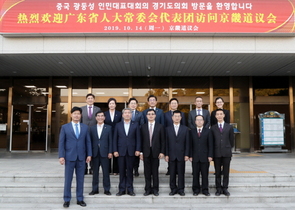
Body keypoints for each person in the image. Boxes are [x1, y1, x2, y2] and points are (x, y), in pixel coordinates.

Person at [58, 107, 92, 208]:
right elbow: (61, 143)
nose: (76, 115)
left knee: (80, 179)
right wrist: (61, 156)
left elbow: (88, 142)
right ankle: (67, 199)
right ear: (71, 115)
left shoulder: (85, 127)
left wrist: (89, 154)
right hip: (69, 157)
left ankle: (80, 199)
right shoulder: (65, 127)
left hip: (82, 157)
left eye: (78, 114)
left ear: (81, 115)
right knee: (68, 179)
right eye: (75, 113)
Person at [113, 108, 141, 196]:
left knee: (130, 171)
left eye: (129, 113)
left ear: (131, 115)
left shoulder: (135, 124)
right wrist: (115, 150)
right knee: (121, 171)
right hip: (120, 151)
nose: (127, 114)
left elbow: (138, 138)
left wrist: (138, 149)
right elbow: (115, 139)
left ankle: (130, 189)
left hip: (131, 151)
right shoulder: (118, 125)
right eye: (125, 113)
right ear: (122, 115)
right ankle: (121, 189)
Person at [140, 109, 165, 196]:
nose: (151, 115)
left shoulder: (160, 126)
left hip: (156, 152)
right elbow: (140, 141)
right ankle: (147, 189)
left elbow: (163, 141)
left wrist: (162, 152)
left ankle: (155, 189)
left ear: (155, 116)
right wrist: (141, 153)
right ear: (146, 116)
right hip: (146, 152)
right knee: (147, 172)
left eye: (152, 114)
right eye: (149, 114)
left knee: (155, 171)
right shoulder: (142, 126)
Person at [165, 110, 190, 196]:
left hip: (181, 155)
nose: (176, 118)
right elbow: (166, 143)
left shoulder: (185, 129)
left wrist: (187, 154)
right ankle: (173, 189)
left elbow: (187, 143)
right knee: (172, 173)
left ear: (181, 118)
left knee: (181, 173)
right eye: (175, 116)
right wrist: (166, 154)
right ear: (172, 118)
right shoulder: (167, 129)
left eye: (178, 116)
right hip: (171, 155)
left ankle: (181, 189)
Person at [88, 111, 113, 196]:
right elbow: (89, 142)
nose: (100, 117)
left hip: (105, 153)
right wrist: (89, 154)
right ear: (96, 118)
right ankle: (95, 189)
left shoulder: (109, 128)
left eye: (102, 116)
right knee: (95, 172)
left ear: (104, 117)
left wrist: (110, 152)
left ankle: (107, 189)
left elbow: (111, 141)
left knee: (106, 172)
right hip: (95, 153)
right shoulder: (92, 128)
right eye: (98, 116)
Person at [211, 109, 234, 196]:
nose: (219, 116)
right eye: (218, 114)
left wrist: (227, 148)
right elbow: (212, 141)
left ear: (224, 115)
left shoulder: (229, 127)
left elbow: (232, 141)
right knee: (217, 172)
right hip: (216, 153)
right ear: (215, 116)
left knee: (226, 172)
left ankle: (225, 188)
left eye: (221, 114)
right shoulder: (213, 128)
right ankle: (218, 189)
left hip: (226, 153)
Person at [190, 115, 213, 196]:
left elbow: (210, 144)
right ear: (195, 122)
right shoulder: (191, 131)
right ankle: (196, 190)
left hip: (205, 157)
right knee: (195, 174)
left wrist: (210, 155)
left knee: (205, 174)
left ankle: (205, 190)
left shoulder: (208, 131)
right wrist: (190, 155)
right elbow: (190, 145)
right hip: (195, 157)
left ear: (203, 121)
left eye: (201, 120)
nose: (199, 121)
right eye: (197, 120)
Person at [164, 97, 186, 175]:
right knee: (171, 155)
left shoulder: (182, 114)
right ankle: (170, 169)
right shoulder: (166, 114)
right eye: (172, 103)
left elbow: (183, 125)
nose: (174, 104)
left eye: (175, 103)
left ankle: (177, 170)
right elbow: (164, 125)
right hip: (170, 135)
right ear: (170, 105)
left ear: (177, 104)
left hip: (179, 136)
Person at [80, 93, 100, 174]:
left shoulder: (97, 109)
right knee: (84, 150)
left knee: (93, 150)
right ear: (86, 100)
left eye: (92, 98)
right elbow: (80, 122)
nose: (90, 99)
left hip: (94, 132)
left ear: (94, 100)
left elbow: (99, 120)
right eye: (88, 98)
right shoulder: (81, 109)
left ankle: (92, 168)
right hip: (84, 132)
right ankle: (84, 168)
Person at [104, 98, 122, 176]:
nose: (111, 105)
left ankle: (115, 170)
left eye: (113, 103)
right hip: (107, 134)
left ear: (115, 105)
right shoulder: (105, 114)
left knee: (115, 152)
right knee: (108, 152)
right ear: (108, 105)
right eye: (110, 103)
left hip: (117, 135)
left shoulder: (119, 113)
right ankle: (107, 170)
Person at [128, 97, 144, 177]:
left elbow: (142, 124)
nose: (133, 105)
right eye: (132, 103)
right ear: (129, 105)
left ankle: (136, 169)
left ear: (137, 105)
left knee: (136, 154)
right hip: (128, 136)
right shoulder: (125, 113)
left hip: (137, 135)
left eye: (135, 103)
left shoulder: (140, 114)